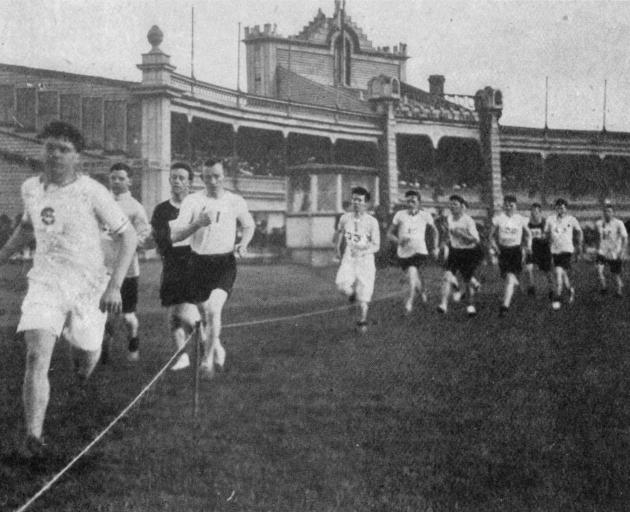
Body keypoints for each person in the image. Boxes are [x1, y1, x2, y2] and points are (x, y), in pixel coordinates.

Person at [0, 121, 137, 457]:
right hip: (45, 281)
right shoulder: (32, 187)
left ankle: (82, 379)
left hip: (89, 287)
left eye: (64, 149)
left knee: (85, 358)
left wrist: (115, 286)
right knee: (36, 355)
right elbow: (29, 226)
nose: (56, 154)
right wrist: (2, 254)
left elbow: (128, 236)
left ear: (77, 156)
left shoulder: (92, 191)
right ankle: (34, 437)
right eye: (50, 147)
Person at [170, 159, 255, 379]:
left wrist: (243, 243)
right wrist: (197, 223)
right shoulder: (192, 201)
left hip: (224, 264)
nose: (213, 181)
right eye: (208, 177)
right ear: (202, 178)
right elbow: (175, 235)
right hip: (198, 264)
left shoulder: (235, 201)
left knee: (213, 310)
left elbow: (249, 225)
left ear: (223, 176)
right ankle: (216, 347)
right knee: (204, 316)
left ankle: (207, 362)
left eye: (217, 176)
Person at [150, 163, 200, 371]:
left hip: (193, 265)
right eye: (174, 177)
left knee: (181, 314)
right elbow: (161, 239)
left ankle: (201, 344)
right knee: (173, 316)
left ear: (190, 182)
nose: (177, 181)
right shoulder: (162, 210)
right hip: (171, 266)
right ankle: (188, 351)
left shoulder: (198, 206)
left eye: (182, 178)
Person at [103, 163, 150, 362]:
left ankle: (133, 340)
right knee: (103, 316)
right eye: (113, 177)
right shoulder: (102, 202)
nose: (116, 181)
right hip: (102, 269)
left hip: (127, 271)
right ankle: (103, 354)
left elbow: (144, 235)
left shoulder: (135, 208)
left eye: (121, 178)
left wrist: (127, 239)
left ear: (129, 180)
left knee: (127, 316)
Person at [334, 187, 381, 332]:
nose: (355, 202)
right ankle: (352, 296)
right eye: (354, 199)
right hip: (349, 256)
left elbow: (376, 245)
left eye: (359, 200)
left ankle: (363, 321)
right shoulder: (345, 217)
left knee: (364, 294)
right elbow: (339, 232)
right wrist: (336, 248)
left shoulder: (372, 222)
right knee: (341, 285)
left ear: (366, 203)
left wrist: (362, 252)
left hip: (365, 259)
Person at [387, 190, 438, 314]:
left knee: (412, 272)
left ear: (419, 203)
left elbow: (435, 231)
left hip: (420, 252)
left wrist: (435, 247)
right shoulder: (399, 215)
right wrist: (399, 241)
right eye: (408, 201)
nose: (410, 204)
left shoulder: (425, 215)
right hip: (403, 252)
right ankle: (422, 292)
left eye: (413, 201)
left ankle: (408, 303)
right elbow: (389, 234)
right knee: (413, 276)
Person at [438, 194, 482, 316]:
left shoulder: (468, 221)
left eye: (455, 204)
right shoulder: (449, 218)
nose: (452, 207)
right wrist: (442, 244)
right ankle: (443, 304)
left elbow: (476, 240)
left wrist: (461, 234)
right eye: (451, 204)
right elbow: (448, 234)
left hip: (468, 252)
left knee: (466, 281)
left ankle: (470, 305)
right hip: (454, 251)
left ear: (461, 206)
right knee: (447, 277)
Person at [489, 195, 531, 316]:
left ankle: (504, 306)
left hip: (516, 251)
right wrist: (495, 247)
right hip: (503, 251)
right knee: (508, 278)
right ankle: (515, 288)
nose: (508, 207)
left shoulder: (520, 219)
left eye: (511, 205)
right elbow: (490, 236)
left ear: (515, 206)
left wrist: (528, 245)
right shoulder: (498, 218)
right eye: (506, 205)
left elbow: (528, 234)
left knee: (509, 278)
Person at [544, 198, 583, 310]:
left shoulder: (572, 219)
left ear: (566, 208)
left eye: (562, 207)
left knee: (558, 272)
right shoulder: (550, 219)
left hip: (567, 251)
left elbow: (579, 231)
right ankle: (570, 290)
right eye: (558, 207)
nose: (560, 209)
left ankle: (558, 298)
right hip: (555, 251)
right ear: (555, 208)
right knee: (563, 274)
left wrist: (579, 245)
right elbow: (546, 234)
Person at [595, 202, 628, 297]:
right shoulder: (599, 223)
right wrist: (597, 248)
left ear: (613, 213)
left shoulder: (619, 223)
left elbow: (624, 238)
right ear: (603, 213)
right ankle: (604, 288)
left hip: (614, 252)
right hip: (602, 251)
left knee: (615, 274)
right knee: (599, 271)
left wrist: (622, 251)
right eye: (605, 211)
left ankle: (619, 291)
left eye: (609, 211)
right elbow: (598, 237)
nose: (607, 213)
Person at [524, 202, 553, 297]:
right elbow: (525, 236)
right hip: (531, 248)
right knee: (528, 268)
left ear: (540, 212)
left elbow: (551, 236)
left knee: (547, 271)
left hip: (543, 248)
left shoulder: (545, 223)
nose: (534, 213)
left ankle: (552, 289)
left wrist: (546, 238)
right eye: (532, 211)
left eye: (536, 211)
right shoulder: (527, 223)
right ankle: (531, 288)